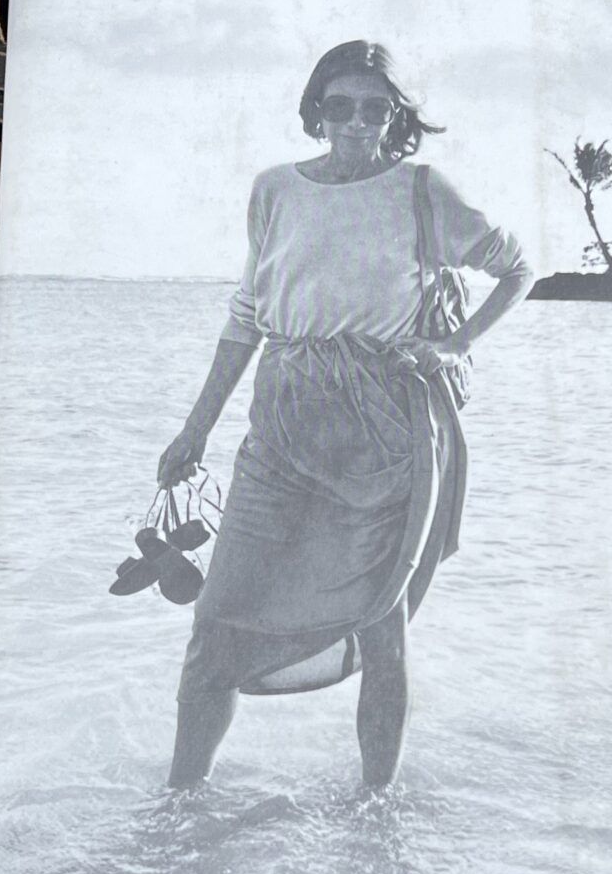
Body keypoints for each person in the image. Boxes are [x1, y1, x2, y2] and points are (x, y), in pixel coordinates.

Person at [158, 39, 533, 791]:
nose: (357, 122)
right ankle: (179, 805)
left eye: (375, 108)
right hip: (283, 423)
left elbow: (517, 267)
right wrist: (193, 430)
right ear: (317, 112)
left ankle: (374, 811)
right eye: (341, 106)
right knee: (215, 624)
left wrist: (454, 344)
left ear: (396, 117)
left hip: (385, 431)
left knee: (380, 624)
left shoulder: (423, 190)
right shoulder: (274, 191)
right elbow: (247, 317)